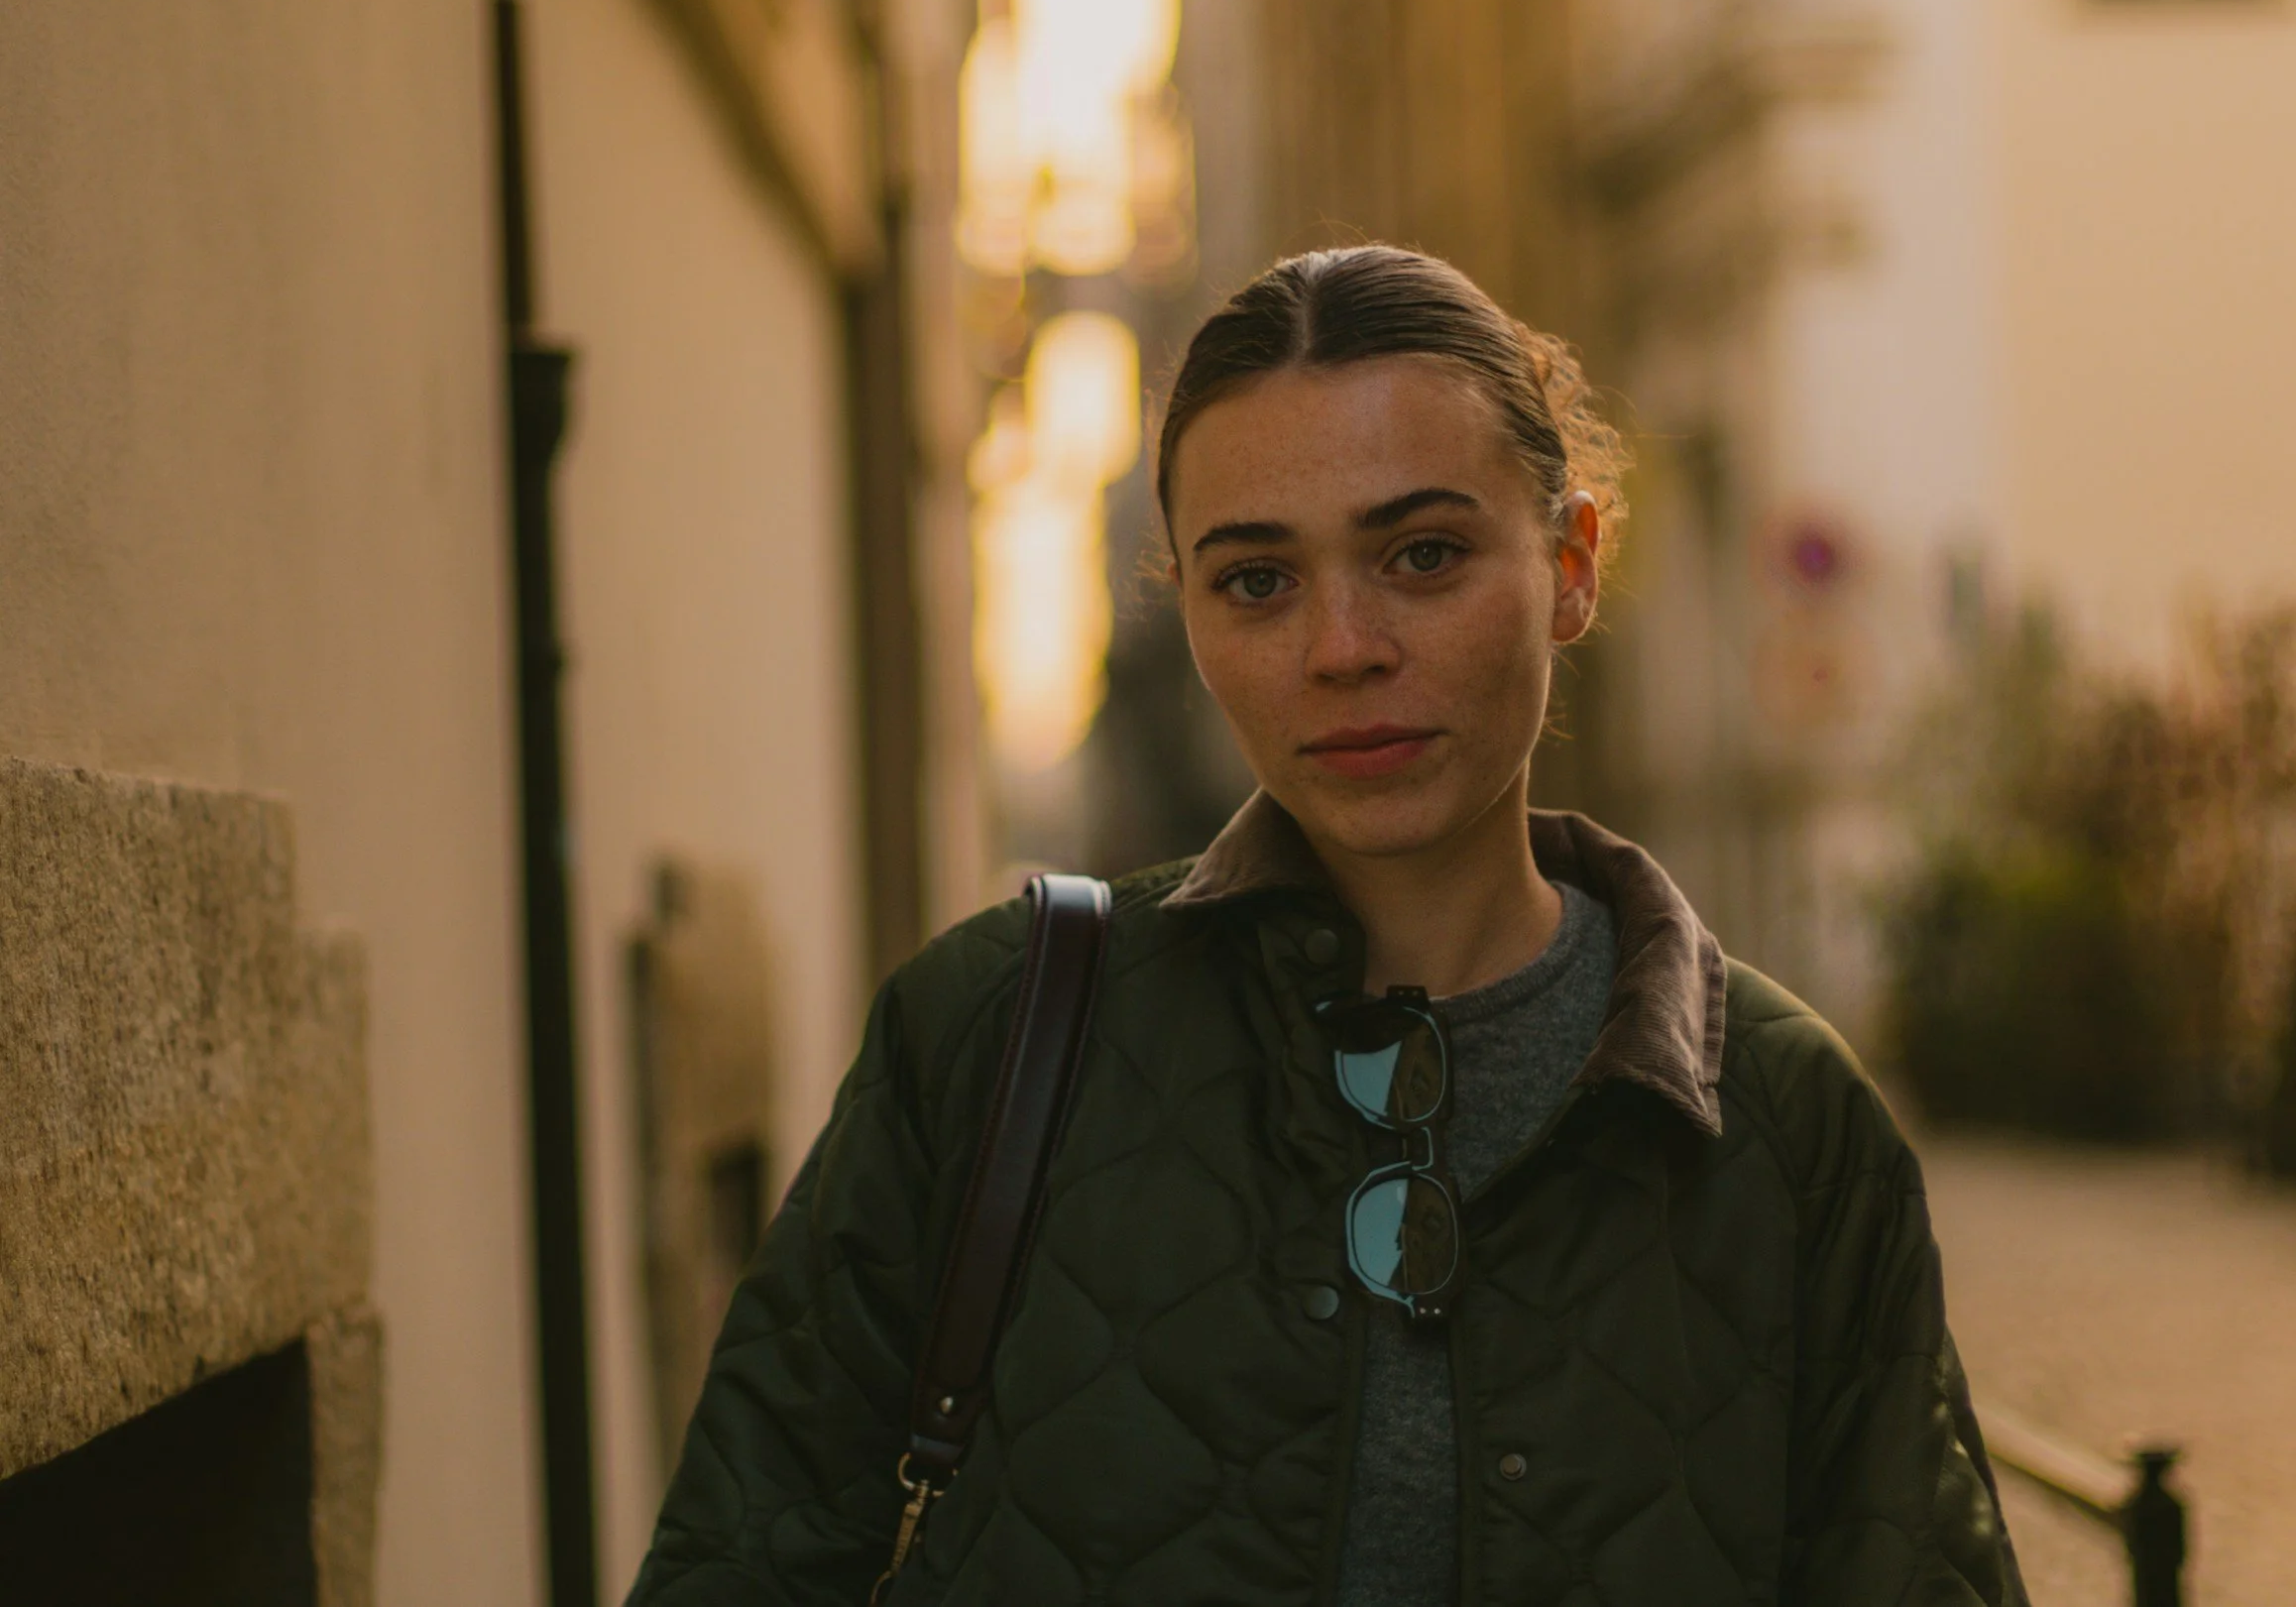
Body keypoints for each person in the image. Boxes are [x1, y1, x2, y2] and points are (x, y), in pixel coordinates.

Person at [625, 246, 2027, 1606]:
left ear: (1573, 564)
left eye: (1423, 554)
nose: (1342, 647)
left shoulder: (1786, 1122)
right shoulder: (988, 1039)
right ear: (1189, 609)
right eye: (1258, 580)